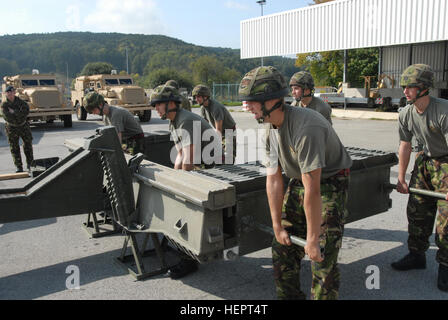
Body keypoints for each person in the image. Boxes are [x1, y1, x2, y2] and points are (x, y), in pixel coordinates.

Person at [239, 66, 352, 300]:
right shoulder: (269, 128)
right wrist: (277, 225)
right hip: (299, 179)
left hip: (329, 183)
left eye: (251, 101)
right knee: (281, 248)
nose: (246, 107)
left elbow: (314, 189)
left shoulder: (306, 127)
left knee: (321, 253)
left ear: (271, 101)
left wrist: (311, 239)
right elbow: (273, 179)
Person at [150, 84, 220, 278]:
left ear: (171, 104)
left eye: (158, 105)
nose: (156, 109)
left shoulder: (186, 120)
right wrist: (172, 180)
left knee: (186, 210)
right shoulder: (174, 122)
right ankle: (187, 251)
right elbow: (180, 154)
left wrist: (179, 187)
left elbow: (188, 160)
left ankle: (189, 260)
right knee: (179, 202)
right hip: (200, 164)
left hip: (211, 168)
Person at [391, 63, 448, 292]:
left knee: (446, 220)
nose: (405, 91)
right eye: (404, 86)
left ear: (424, 88)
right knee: (417, 210)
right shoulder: (406, 113)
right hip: (424, 161)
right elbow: (404, 145)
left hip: (446, 161)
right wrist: (402, 178)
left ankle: (445, 266)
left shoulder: (443, 111)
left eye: (410, 87)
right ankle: (417, 255)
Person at [192, 84, 237, 164]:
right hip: (220, 131)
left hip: (228, 131)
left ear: (205, 97)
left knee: (228, 157)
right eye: (195, 97)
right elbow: (205, 126)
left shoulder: (216, 107)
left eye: (198, 97)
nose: (196, 99)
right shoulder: (203, 108)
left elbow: (218, 130)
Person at [1, 85, 34, 172]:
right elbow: (7, 117)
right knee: (14, 147)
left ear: (14, 92)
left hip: (23, 126)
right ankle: (19, 167)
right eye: (8, 92)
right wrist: (19, 114)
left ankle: (30, 165)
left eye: (11, 92)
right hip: (12, 128)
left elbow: (26, 112)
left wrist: (14, 112)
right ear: (6, 94)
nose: (10, 94)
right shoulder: (4, 105)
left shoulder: (21, 102)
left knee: (28, 146)